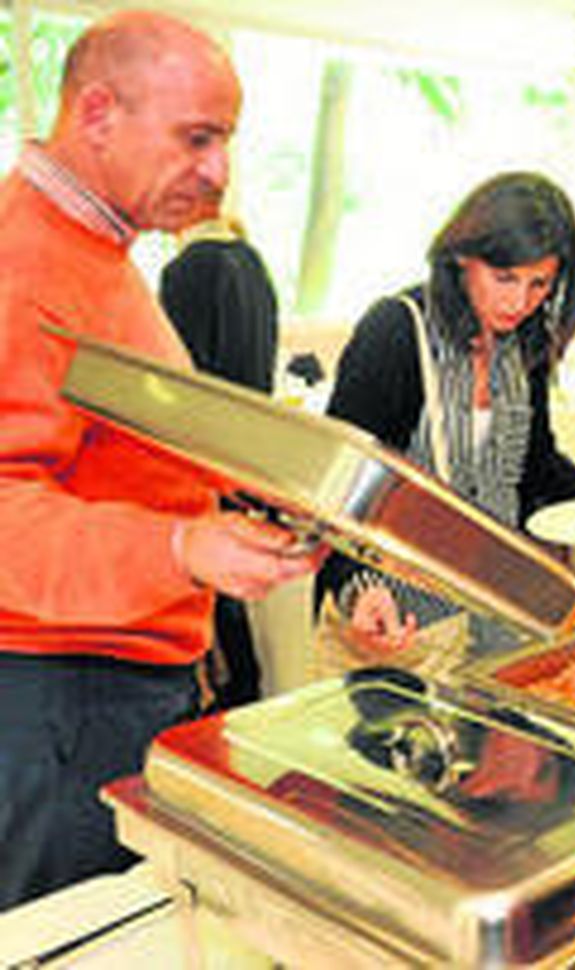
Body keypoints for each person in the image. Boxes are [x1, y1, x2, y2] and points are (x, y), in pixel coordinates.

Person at [0, 11, 320, 909]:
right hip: (57, 700)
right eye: (198, 138)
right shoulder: (25, 259)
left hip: (111, 688)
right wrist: (179, 550)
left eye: (226, 140)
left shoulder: (99, 248)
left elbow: (124, 449)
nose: (218, 170)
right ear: (98, 113)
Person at [319, 172, 575, 651]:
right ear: (461, 258)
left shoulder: (527, 343)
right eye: (505, 278)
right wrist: (357, 588)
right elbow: (338, 481)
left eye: (540, 284)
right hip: (394, 618)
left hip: (494, 613)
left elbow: (533, 462)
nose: (520, 302)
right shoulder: (396, 331)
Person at [160, 214, 279, 709]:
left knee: (216, 609)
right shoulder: (252, 263)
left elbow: (179, 387)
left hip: (202, 457)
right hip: (248, 452)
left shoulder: (187, 271)